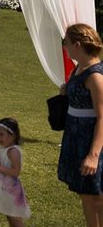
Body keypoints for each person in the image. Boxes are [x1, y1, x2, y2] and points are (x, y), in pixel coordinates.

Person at [57, 23, 103, 226]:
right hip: (76, 136)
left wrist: (93, 155)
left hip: (91, 140)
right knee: (87, 193)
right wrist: (68, 90)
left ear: (77, 45)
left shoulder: (95, 76)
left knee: (94, 195)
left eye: (65, 42)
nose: (64, 46)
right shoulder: (80, 68)